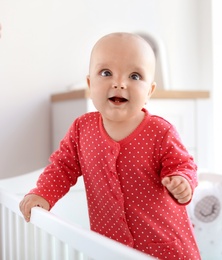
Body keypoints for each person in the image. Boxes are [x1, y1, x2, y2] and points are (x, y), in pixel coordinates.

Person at [19, 32, 201, 260]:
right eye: (106, 73)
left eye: (134, 76)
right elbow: (62, 167)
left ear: (149, 91)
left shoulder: (160, 131)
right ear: (89, 83)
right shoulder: (81, 129)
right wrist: (44, 194)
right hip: (109, 249)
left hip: (165, 249)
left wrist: (182, 182)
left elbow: (184, 165)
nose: (119, 83)